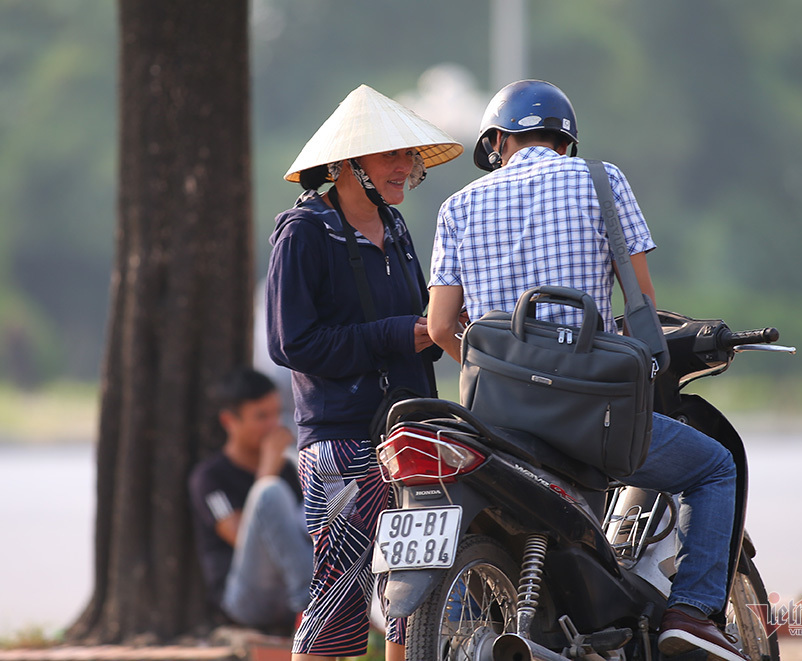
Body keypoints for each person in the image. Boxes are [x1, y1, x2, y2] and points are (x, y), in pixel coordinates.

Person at [427, 80, 749, 661]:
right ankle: (692, 615)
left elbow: (442, 324)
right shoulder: (601, 181)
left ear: (497, 140)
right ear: (564, 142)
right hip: (587, 417)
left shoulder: (458, 206)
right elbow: (641, 303)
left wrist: (501, 373)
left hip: (494, 423)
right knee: (714, 468)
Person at [266, 84, 462, 661]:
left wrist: (439, 329)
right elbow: (290, 343)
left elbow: (426, 319)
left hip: (411, 432)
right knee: (338, 598)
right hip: (342, 440)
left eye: (409, 156)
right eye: (392, 156)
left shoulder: (396, 229)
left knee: (413, 596)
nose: (407, 167)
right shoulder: (303, 232)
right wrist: (403, 333)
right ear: (349, 165)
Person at [188, 367, 313, 632]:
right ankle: (315, 604)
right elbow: (241, 537)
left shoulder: (287, 470)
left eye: (276, 414)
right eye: (261, 416)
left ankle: (326, 601)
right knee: (270, 493)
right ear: (229, 421)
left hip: (285, 590)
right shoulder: (209, 478)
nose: (273, 425)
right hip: (244, 599)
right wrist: (267, 470)